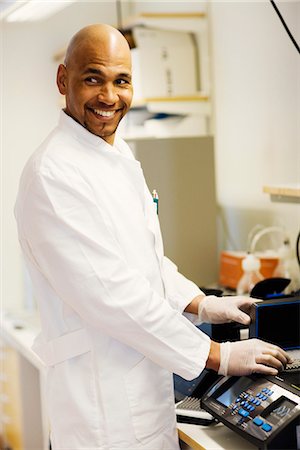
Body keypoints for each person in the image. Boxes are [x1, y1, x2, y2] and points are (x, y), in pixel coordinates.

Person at [14, 24, 291, 450]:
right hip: (101, 414)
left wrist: (201, 303)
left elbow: (141, 260)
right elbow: (114, 294)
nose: (109, 96)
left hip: (142, 391)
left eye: (121, 80)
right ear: (62, 80)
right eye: (93, 78)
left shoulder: (114, 152)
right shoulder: (53, 175)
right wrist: (217, 356)